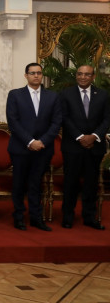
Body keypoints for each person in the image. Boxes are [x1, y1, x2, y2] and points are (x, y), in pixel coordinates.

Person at [6, 62, 62, 232]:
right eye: (32, 73)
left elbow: (56, 121)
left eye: (39, 73)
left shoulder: (53, 96)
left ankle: (36, 218)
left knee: (36, 184)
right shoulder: (15, 95)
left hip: (43, 149)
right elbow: (13, 121)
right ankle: (18, 217)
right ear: (26, 75)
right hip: (21, 148)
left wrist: (42, 141)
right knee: (19, 184)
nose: (36, 76)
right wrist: (30, 141)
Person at [59, 65, 110, 230]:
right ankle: (68, 217)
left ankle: (89, 217)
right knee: (70, 183)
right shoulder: (66, 94)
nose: (82, 77)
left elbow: (107, 119)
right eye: (80, 74)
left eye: (86, 74)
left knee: (91, 184)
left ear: (93, 77)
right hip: (73, 146)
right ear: (76, 76)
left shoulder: (103, 95)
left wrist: (94, 136)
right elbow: (64, 118)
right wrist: (80, 137)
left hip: (94, 147)